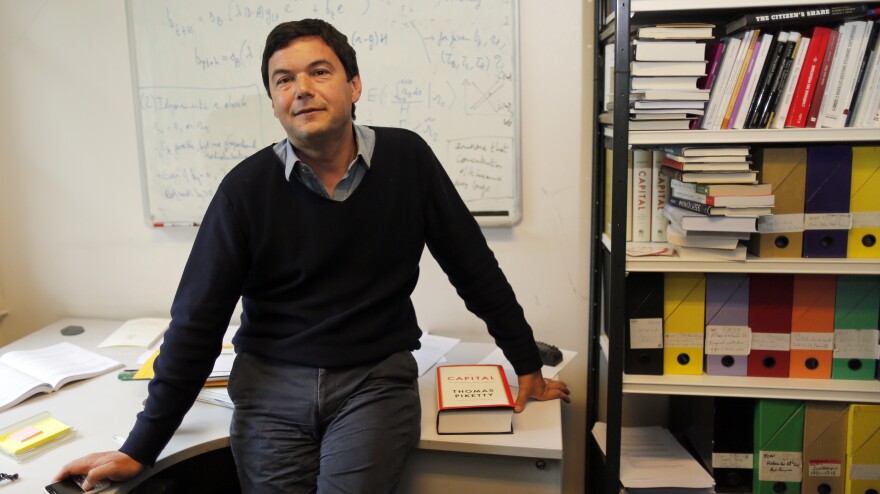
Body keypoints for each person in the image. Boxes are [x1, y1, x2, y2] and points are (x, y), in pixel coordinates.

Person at [55, 18, 570, 493]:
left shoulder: (408, 159)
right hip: (269, 386)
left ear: (354, 86)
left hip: (372, 382)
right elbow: (197, 323)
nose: (301, 88)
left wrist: (527, 365)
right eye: (283, 80)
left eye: (319, 71)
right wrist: (140, 447)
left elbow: (474, 269)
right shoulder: (244, 191)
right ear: (276, 104)